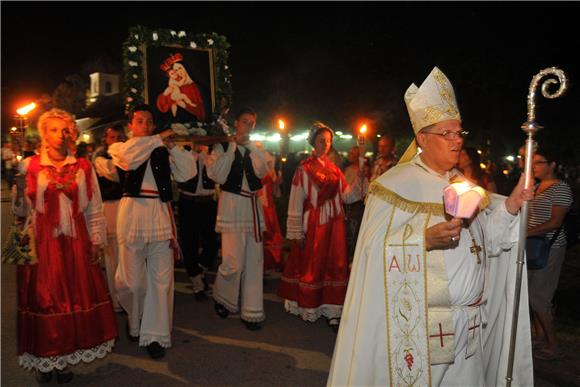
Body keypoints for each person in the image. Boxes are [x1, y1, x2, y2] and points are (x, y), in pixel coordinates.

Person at [328, 67, 534, 386]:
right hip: (426, 326)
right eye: (446, 134)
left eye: (459, 133)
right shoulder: (393, 185)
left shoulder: (463, 184)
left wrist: (509, 206)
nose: (456, 141)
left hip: (471, 324)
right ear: (422, 138)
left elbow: (487, 244)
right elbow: (370, 253)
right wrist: (422, 240)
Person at [17, 108, 117, 383]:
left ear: (71, 133)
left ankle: (62, 359)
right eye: (53, 129)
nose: (60, 135)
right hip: (43, 245)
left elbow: (93, 207)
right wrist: (18, 191)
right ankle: (45, 359)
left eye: (65, 130)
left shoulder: (83, 167)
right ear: (44, 135)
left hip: (75, 244)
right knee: (46, 300)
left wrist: (96, 240)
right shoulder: (31, 166)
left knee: (73, 300)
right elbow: (22, 212)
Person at [109, 104, 195, 359]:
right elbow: (129, 159)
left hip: (158, 211)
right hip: (133, 213)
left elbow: (188, 173)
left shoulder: (161, 147)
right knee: (132, 283)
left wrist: (173, 148)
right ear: (130, 126)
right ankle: (134, 320)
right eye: (139, 121)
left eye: (149, 121)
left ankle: (155, 335)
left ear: (154, 124)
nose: (144, 125)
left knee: (161, 280)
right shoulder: (120, 147)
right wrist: (159, 138)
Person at [277, 123, 368, 332]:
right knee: (314, 266)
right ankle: (311, 305)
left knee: (335, 265)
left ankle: (333, 310)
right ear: (313, 142)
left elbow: (348, 196)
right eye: (321, 140)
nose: (325, 144)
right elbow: (296, 201)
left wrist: (361, 175)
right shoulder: (304, 169)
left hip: (335, 223)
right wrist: (295, 231)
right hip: (315, 224)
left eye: (328, 141)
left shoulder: (335, 169)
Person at [206, 107, 273, 331]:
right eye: (245, 122)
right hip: (232, 204)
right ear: (236, 123)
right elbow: (216, 175)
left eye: (252, 123)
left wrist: (251, 147)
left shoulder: (258, 148)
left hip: (252, 204)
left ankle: (252, 311)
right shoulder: (223, 145)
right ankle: (223, 297)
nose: (249, 126)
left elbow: (263, 171)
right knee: (233, 260)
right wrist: (233, 146)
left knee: (254, 261)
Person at [527, 146, 573, 360]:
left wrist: (524, 232)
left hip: (550, 247)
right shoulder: (536, 185)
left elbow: (555, 222)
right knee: (531, 294)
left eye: (538, 162)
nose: (533, 166)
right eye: (532, 162)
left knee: (540, 297)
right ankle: (539, 335)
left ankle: (553, 344)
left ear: (552, 165)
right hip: (533, 245)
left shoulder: (560, 188)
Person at [177, 143, 219, 301]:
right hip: (187, 201)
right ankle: (197, 283)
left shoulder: (213, 151)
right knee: (189, 242)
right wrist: (191, 151)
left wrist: (206, 153)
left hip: (208, 201)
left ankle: (199, 268)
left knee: (212, 241)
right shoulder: (184, 151)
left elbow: (216, 173)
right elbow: (182, 171)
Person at [93, 124, 127, 312]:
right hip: (111, 208)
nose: (116, 141)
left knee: (127, 257)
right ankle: (116, 301)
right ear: (106, 140)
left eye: (119, 137)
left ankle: (129, 297)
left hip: (126, 206)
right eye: (112, 138)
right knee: (113, 258)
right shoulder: (101, 159)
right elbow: (117, 175)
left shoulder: (129, 156)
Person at [256, 146, 284, 272]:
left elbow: (275, 190)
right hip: (261, 205)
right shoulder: (258, 170)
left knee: (269, 235)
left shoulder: (272, 172)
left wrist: (277, 178)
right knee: (263, 236)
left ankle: (268, 263)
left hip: (268, 205)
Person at [156, 53, 206, 122]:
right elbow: (163, 106)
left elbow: (201, 110)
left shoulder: (196, 86)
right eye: (176, 70)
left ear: (185, 68)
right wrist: (165, 93)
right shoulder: (174, 86)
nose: (178, 72)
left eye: (180, 68)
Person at [343, 145, 370, 262]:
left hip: (357, 207)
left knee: (355, 236)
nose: (350, 156)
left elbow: (363, 190)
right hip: (347, 206)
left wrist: (361, 178)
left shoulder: (362, 171)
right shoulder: (347, 169)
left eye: (353, 154)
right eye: (349, 153)